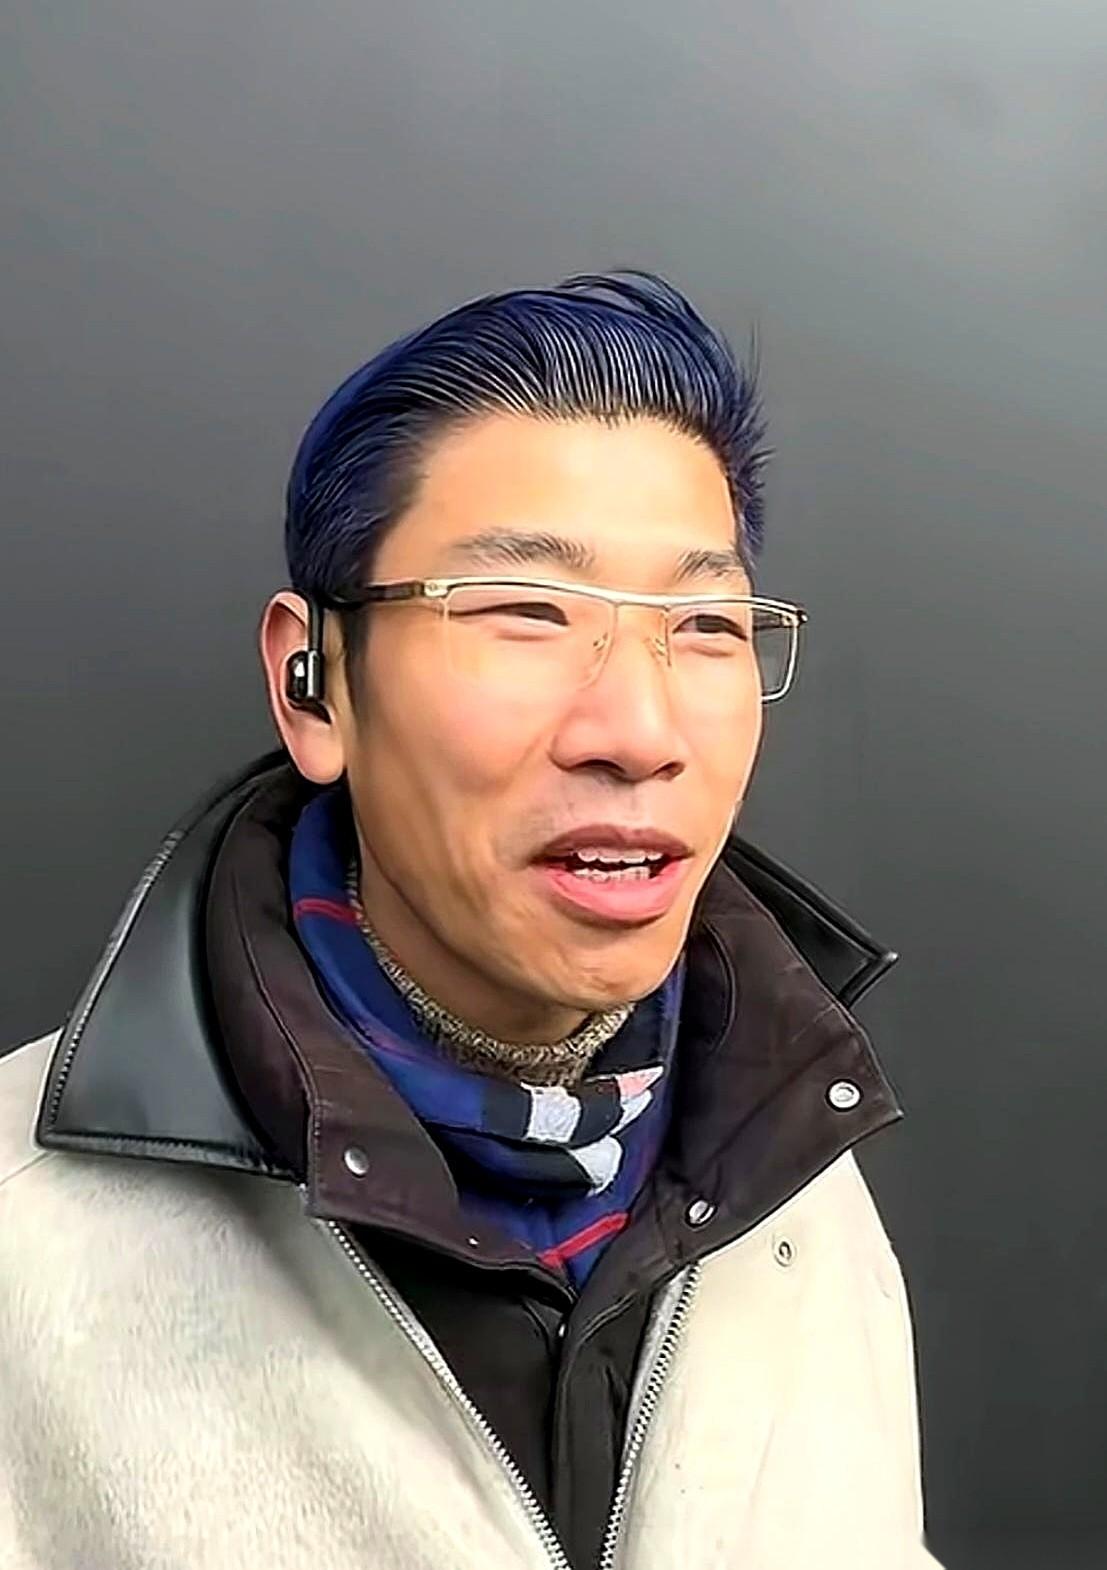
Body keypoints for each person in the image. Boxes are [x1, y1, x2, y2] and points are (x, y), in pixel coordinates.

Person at [0, 272, 943, 1569]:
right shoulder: (28, 1243)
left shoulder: (796, 1190)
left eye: (706, 624)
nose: (640, 732)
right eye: (526, 613)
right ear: (314, 683)